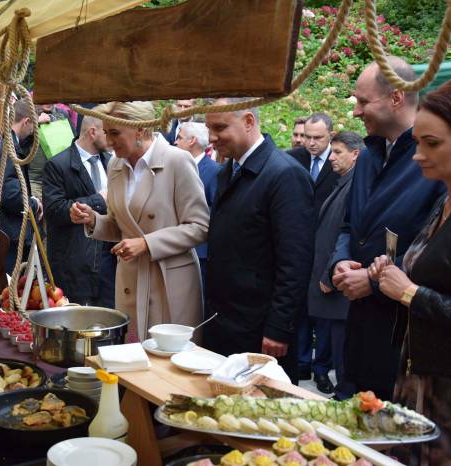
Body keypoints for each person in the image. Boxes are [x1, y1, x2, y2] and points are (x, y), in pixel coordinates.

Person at [368, 77, 451, 466]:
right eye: (419, 142)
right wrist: (390, 273)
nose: (417, 155)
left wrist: (409, 292)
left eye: (433, 143)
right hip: (423, 374)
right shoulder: (448, 198)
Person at [329, 57, 444, 400]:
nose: (355, 112)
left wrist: (374, 281)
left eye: (363, 102)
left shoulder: (434, 161)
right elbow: (350, 225)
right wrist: (341, 259)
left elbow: (438, 247)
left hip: (405, 337)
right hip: (361, 328)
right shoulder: (367, 156)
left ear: (396, 98)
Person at [70, 101, 209, 342]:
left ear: (140, 130)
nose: (108, 141)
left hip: (169, 282)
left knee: (168, 364)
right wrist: (93, 220)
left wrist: (146, 244)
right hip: (131, 280)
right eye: (106, 132)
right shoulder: (115, 165)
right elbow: (120, 225)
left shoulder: (177, 161)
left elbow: (199, 227)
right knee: (134, 356)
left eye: (115, 133)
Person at [202, 97, 314, 383]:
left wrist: (279, 327)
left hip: (258, 327)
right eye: (209, 129)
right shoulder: (229, 171)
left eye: (220, 128)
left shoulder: (284, 175)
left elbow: (295, 261)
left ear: (248, 121)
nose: (212, 138)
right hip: (226, 320)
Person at [306, 131, 364, 396]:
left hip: (340, 284)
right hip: (332, 280)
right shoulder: (344, 183)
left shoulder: (356, 188)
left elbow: (348, 236)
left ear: (356, 154)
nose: (331, 157)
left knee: (344, 355)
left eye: (338, 152)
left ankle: (344, 399)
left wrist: (331, 275)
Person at [43, 113, 116, 307]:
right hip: (74, 266)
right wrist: (98, 200)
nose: (112, 138)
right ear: (93, 132)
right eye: (107, 132)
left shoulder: (113, 162)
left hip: (109, 262)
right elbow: (53, 210)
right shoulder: (57, 164)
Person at [290, 112, 340, 390]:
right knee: (299, 309)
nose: (310, 143)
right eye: (307, 137)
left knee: (323, 312)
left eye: (317, 138)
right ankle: (301, 364)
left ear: (330, 136)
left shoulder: (339, 162)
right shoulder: (293, 158)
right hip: (299, 244)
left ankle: (322, 367)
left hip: (326, 246)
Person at [0, 99, 41, 274]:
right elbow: (9, 193)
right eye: (34, 126)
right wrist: (34, 204)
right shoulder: (8, 147)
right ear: (26, 121)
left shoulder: (4, 143)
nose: (34, 131)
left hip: (5, 230)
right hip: (9, 233)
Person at [174, 121, 221, 289]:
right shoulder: (175, 167)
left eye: (179, 138)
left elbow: (216, 211)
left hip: (201, 253)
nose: (175, 142)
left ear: (192, 141)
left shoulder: (214, 171)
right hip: (176, 247)